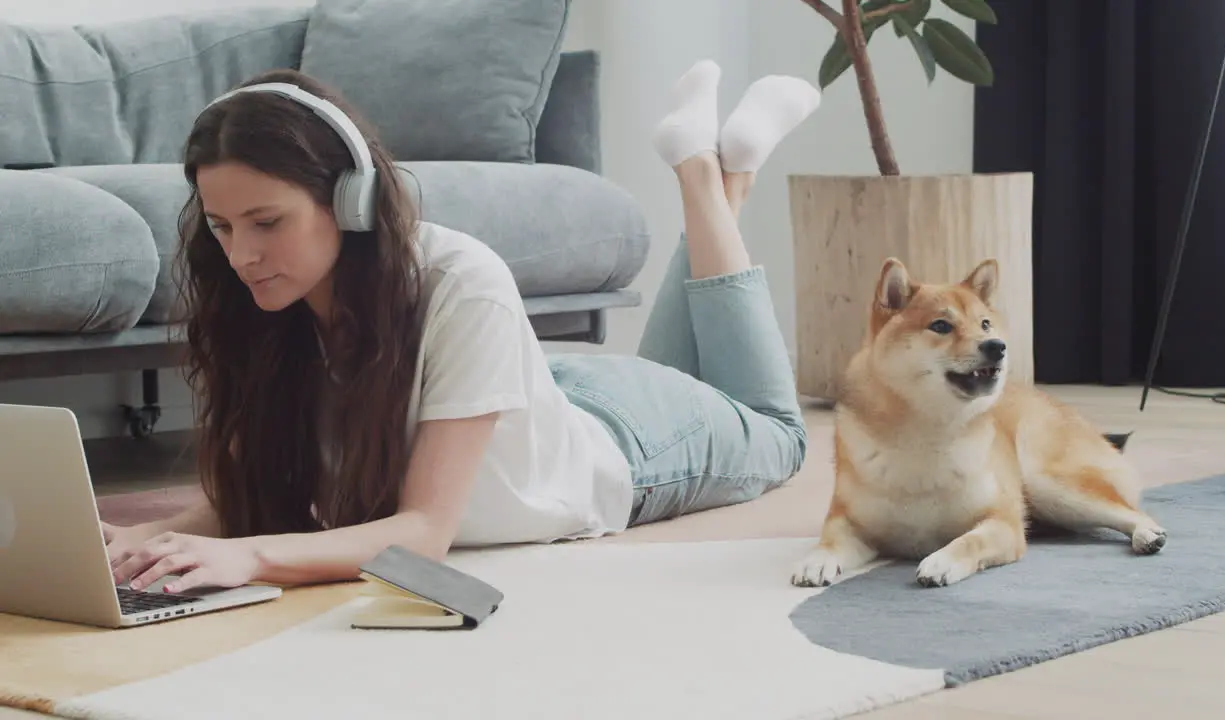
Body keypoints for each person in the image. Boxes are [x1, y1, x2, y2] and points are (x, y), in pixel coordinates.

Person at [105, 60, 821, 594]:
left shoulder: (460, 282)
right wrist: (140, 540)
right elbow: (253, 488)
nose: (241, 255)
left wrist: (254, 555)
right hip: (530, 401)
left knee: (778, 434)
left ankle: (704, 175)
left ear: (351, 201)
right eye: (223, 227)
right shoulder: (265, 307)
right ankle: (726, 178)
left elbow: (423, 536)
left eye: (267, 223)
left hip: (636, 445)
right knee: (704, 377)